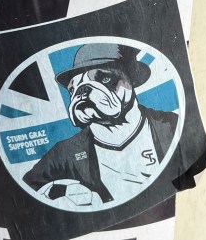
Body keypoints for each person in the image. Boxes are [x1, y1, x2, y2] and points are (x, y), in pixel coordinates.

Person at [23, 43, 178, 208]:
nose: (82, 92)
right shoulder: (65, 152)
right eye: (74, 89)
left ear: (130, 80)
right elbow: (26, 190)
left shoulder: (171, 125)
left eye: (104, 78)